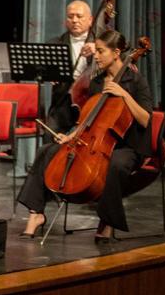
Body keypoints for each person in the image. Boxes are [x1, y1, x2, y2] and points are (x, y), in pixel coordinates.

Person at [17, 30, 152, 240]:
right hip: (96, 141)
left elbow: (146, 119)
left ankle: (107, 221)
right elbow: (89, 119)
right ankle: (36, 213)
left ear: (116, 53)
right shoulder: (97, 82)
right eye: (95, 50)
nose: (95, 56)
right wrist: (70, 137)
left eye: (100, 51)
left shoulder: (135, 81)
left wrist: (124, 95)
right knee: (47, 151)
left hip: (128, 145)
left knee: (115, 164)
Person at [47, 0, 95, 133]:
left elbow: (121, 55)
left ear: (90, 20)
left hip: (91, 100)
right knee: (50, 135)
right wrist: (50, 74)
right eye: (70, 16)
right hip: (63, 101)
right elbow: (44, 70)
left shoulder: (101, 43)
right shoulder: (54, 44)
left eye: (79, 16)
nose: (74, 20)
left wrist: (98, 49)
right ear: (65, 21)